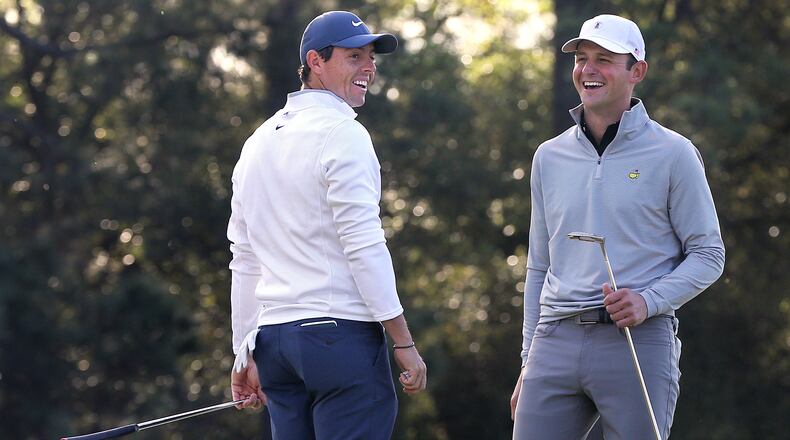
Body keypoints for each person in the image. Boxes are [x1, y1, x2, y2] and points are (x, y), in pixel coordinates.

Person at [510, 14, 725, 440]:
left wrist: (648, 301)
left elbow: (709, 255)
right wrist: (527, 360)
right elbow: (538, 267)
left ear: (637, 71)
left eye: (604, 59)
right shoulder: (548, 157)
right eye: (582, 58)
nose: (587, 69)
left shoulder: (674, 153)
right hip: (554, 339)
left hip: (638, 341)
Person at [226, 10, 427, 439]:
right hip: (338, 340)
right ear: (315, 62)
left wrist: (244, 352)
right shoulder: (345, 133)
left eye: (370, 57)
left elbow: (244, 259)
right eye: (354, 57)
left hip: (276, 345)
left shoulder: (256, 143)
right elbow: (363, 243)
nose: (369, 67)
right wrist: (403, 342)